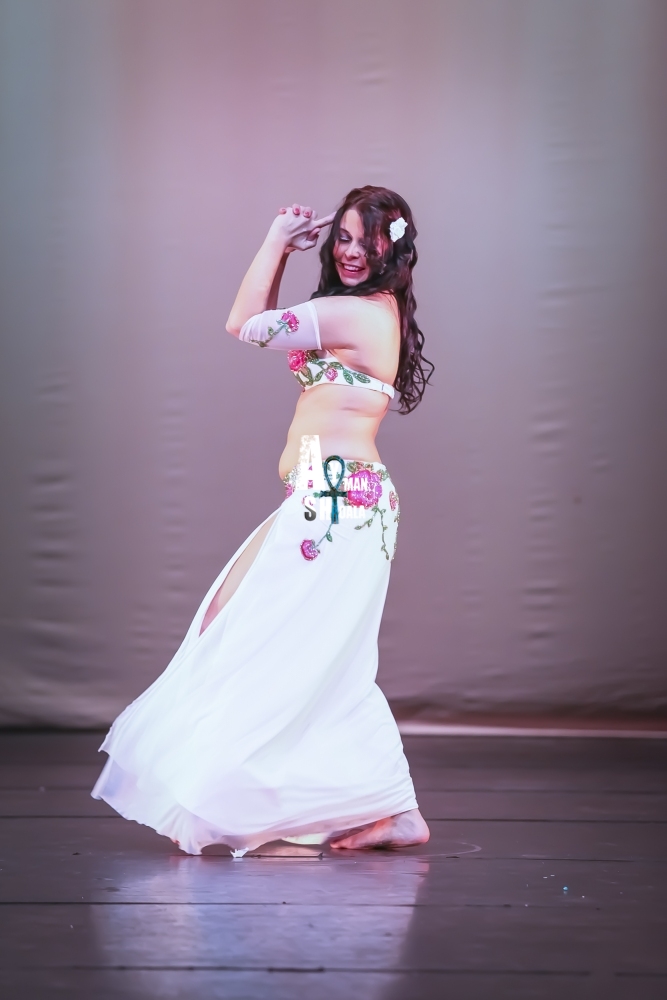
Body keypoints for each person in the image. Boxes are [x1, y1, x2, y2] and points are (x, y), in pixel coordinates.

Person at [92, 186, 434, 855]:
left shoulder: (358, 313)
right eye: (342, 237)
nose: (351, 252)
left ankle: (384, 807)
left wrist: (276, 240)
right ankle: (390, 808)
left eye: (366, 240)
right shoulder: (365, 310)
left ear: (393, 249)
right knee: (253, 632)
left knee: (272, 642)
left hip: (336, 502)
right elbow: (263, 325)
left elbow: (245, 323)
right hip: (330, 499)